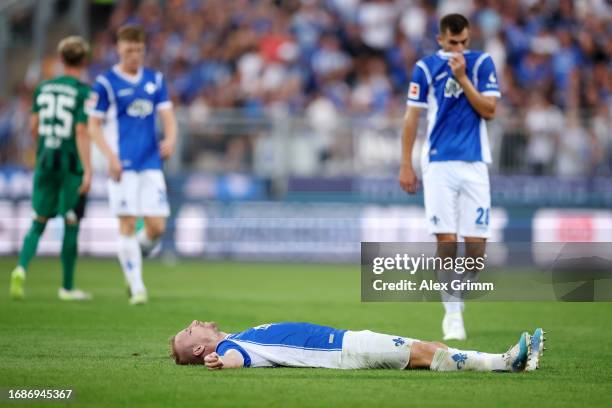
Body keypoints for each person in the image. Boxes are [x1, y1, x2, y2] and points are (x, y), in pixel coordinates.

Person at [398, 14, 501, 340]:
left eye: (463, 43)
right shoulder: (426, 68)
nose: (458, 48)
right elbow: (412, 118)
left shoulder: (482, 63)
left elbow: (489, 110)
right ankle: (452, 313)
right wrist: (405, 163)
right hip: (439, 164)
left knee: (476, 252)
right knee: (446, 240)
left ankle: (456, 295)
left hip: (474, 164)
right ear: (441, 39)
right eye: (452, 42)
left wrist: (463, 78)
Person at [88, 25, 177, 305]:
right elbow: (93, 126)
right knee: (126, 223)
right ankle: (137, 287)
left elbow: (168, 116)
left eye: (138, 50)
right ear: (119, 49)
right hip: (121, 165)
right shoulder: (105, 83)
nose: (134, 55)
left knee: (157, 228)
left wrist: (171, 139)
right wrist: (110, 158)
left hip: (150, 163)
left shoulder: (155, 79)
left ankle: (129, 256)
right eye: (129, 50)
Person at [9, 36, 93, 301]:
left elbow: (33, 126)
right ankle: (67, 287)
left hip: (45, 160)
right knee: (71, 221)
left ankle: (21, 267)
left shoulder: (43, 88)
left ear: (61, 58)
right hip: (70, 165)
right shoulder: (83, 92)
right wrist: (88, 169)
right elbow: (81, 131)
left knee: (38, 220)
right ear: (84, 61)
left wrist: (44, 147)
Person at [170, 320, 545, 372]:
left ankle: (516, 362)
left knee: (430, 347)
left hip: (347, 342)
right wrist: (222, 362)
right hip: (346, 349)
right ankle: (505, 362)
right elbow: (235, 361)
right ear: (201, 350)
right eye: (190, 331)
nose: (196, 323)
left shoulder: (241, 335)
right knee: (427, 354)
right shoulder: (236, 349)